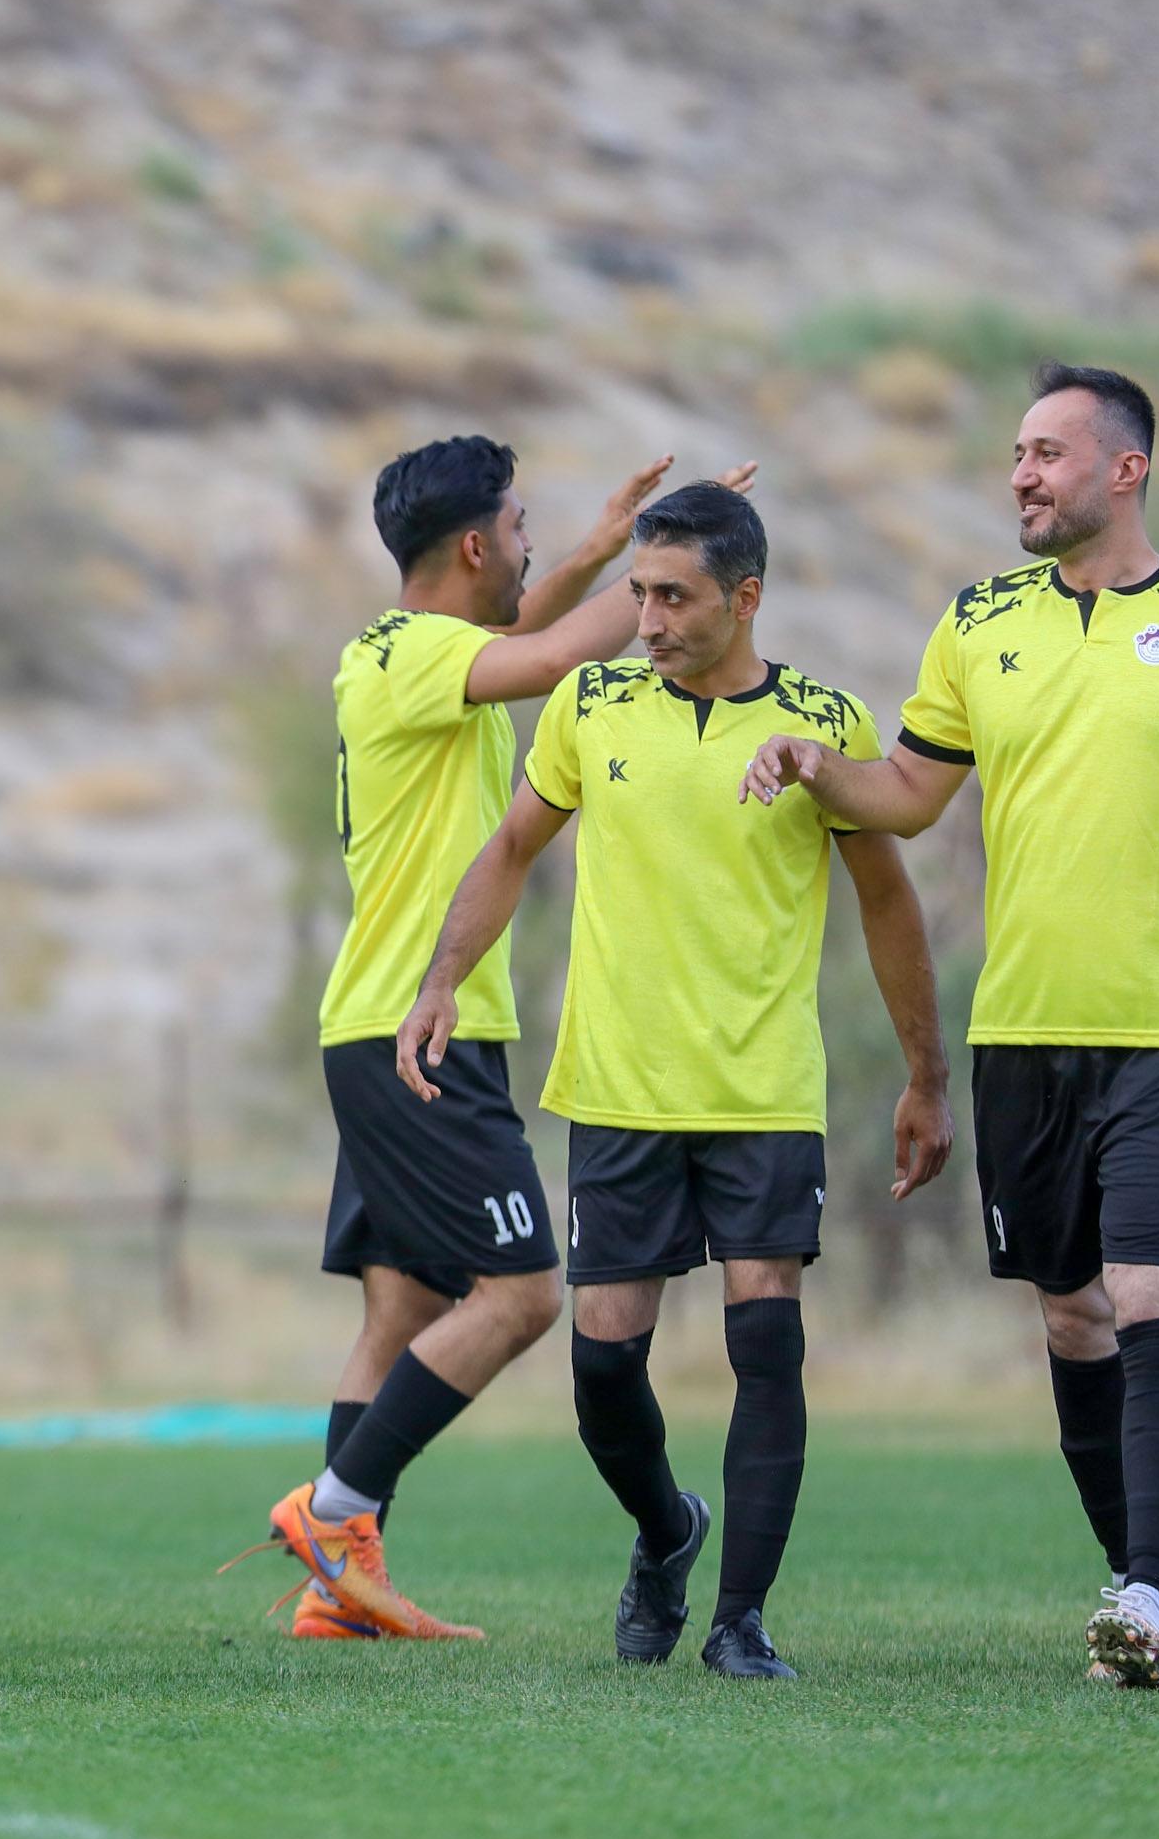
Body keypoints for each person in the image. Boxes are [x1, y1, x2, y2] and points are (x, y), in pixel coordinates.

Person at [744, 364, 1159, 1689]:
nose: (1020, 474)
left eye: (1047, 453)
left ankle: (1152, 1595)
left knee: (1152, 1296)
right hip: (1022, 1034)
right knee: (1073, 1318)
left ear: (1125, 470)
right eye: (1016, 453)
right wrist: (813, 763)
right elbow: (909, 795)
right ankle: (1137, 1583)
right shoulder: (979, 621)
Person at [397, 483, 951, 1677]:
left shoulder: (824, 723)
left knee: (767, 1343)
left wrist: (926, 1073)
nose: (644, 619)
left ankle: (740, 1619)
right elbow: (511, 847)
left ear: (745, 598)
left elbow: (886, 900)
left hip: (763, 1091)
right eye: (638, 592)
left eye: (672, 597)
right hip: (617, 1089)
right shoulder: (589, 704)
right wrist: (442, 978)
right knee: (603, 1370)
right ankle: (665, 1530)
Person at [243, 437, 755, 1644]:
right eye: (524, 528)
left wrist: (603, 545)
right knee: (521, 1294)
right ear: (475, 544)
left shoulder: (409, 650)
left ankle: (339, 1592)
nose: (534, 548)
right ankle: (335, 1509)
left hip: (380, 1025)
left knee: (401, 1306)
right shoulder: (419, 653)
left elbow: (527, 623)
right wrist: (666, 567)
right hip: (420, 1032)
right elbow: (559, 649)